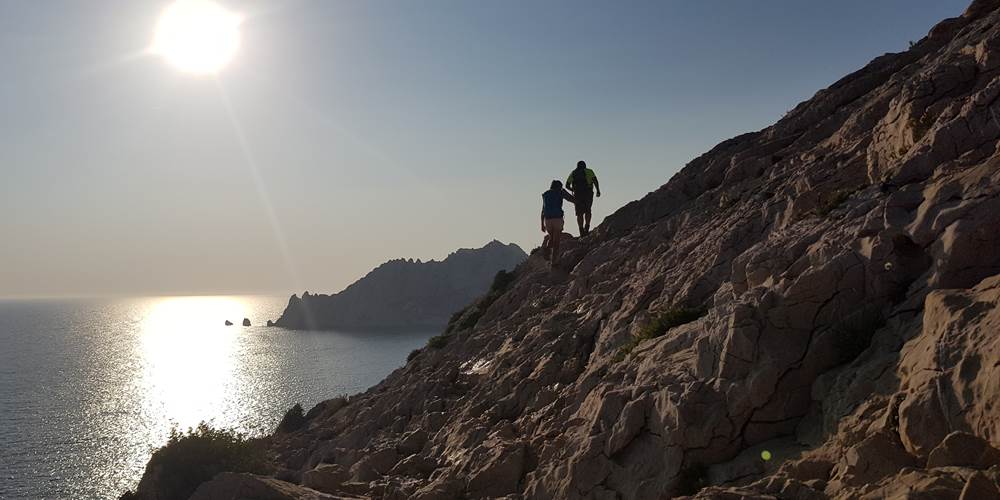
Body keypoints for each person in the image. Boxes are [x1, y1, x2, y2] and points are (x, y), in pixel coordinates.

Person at [541, 180, 575, 266]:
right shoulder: (560, 192)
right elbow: (571, 199)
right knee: (556, 242)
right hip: (557, 218)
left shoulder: (546, 194)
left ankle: (547, 250)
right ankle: (554, 262)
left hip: (547, 219)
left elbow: (543, 210)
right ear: (558, 187)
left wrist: (542, 224)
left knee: (551, 238)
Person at [565, 160, 601, 236]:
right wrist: (598, 190)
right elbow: (595, 180)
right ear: (585, 165)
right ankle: (587, 227)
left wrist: (573, 190)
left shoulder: (573, 172)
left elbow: (567, 185)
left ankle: (581, 230)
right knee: (588, 210)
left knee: (579, 213)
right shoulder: (589, 171)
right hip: (588, 193)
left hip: (577, 194)